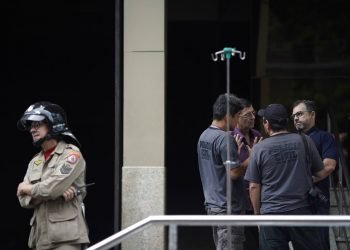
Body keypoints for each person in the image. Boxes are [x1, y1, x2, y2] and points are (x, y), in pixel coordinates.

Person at [244, 103, 330, 249]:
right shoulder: (304, 141)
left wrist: (257, 215)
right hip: (302, 211)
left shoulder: (259, 149)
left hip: (271, 215)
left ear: (267, 124)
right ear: (287, 122)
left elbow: (253, 186)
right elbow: (320, 172)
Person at [16, 101, 90, 250]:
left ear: (53, 125)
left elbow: (50, 189)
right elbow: (23, 200)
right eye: (31, 126)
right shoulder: (35, 161)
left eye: (37, 125)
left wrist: (26, 188)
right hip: (40, 238)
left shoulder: (71, 155)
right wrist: (51, 191)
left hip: (66, 239)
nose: (32, 130)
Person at [197, 93, 248, 250]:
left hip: (213, 206)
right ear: (227, 116)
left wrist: (235, 154)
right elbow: (233, 173)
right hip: (228, 209)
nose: (238, 121)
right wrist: (251, 157)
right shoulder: (225, 139)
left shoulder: (204, 136)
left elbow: (217, 165)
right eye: (237, 116)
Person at [292, 99, 338, 250]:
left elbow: (329, 166)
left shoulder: (324, 137)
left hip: (317, 201)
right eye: (293, 116)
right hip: (294, 203)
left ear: (312, 115)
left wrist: (305, 181)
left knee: (320, 245)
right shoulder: (291, 140)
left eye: (299, 114)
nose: (296, 118)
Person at [231, 98, 262, 250]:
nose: (253, 118)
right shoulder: (230, 138)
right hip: (238, 200)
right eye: (248, 114)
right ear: (237, 117)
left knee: (260, 242)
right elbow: (230, 172)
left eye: (254, 114)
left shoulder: (257, 135)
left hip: (256, 199)